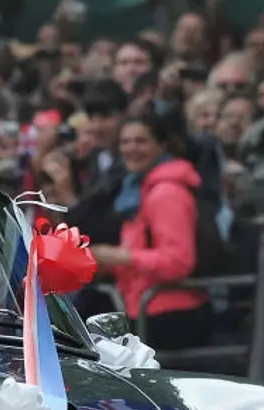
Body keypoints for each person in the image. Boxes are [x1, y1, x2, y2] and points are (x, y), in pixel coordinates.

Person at [90, 112, 210, 350]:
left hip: (169, 316)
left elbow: (178, 262)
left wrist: (119, 256)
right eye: (125, 142)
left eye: (141, 141)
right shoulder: (139, 188)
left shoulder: (167, 192)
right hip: (143, 308)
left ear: (161, 144)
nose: (131, 148)